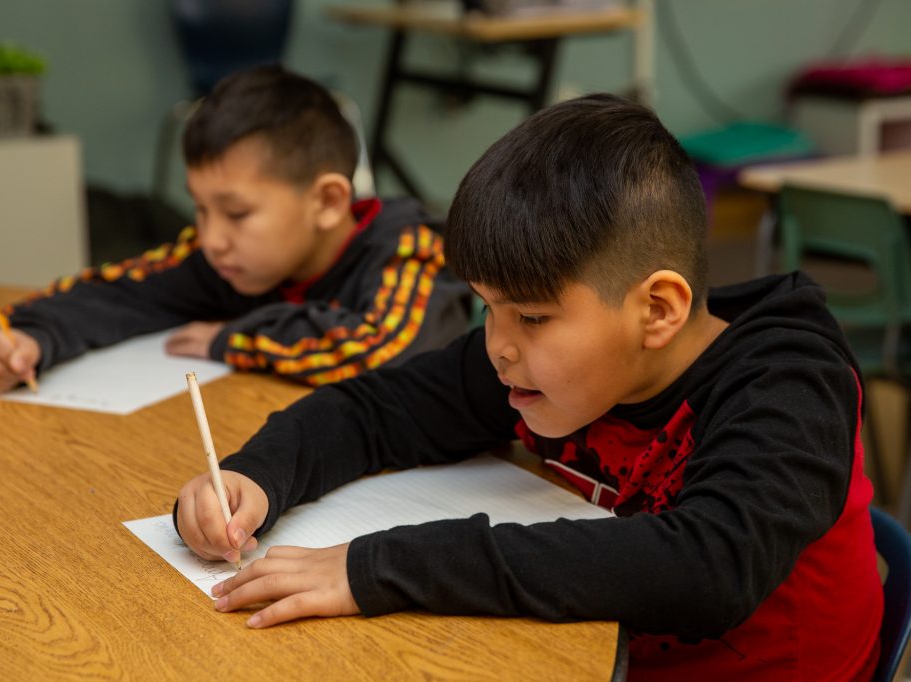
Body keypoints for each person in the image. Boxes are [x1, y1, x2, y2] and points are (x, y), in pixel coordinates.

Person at [173, 94, 882, 680]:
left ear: (657, 310)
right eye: (488, 306)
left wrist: (381, 566)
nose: (499, 345)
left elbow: (706, 568)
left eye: (533, 317)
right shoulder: (544, 360)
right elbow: (375, 408)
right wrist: (254, 478)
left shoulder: (789, 382)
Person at [0, 66, 470, 393]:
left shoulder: (410, 248)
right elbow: (120, 290)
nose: (211, 238)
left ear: (327, 201)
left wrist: (233, 339)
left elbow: (384, 352)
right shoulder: (227, 258)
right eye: (200, 209)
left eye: (237, 213)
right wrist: (28, 336)